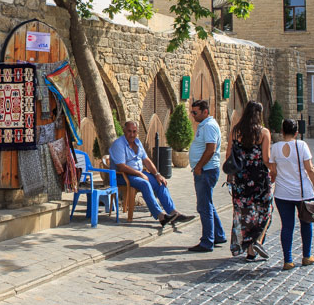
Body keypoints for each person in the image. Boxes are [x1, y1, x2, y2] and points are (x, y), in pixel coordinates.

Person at [109, 121, 195, 231]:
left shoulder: (137, 142)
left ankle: (173, 213)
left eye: (134, 132)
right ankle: (161, 216)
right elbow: (121, 167)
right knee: (145, 183)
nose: (132, 134)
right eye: (129, 131)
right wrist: (140, 174)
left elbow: (146, 160)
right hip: (123, 176)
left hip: (138, 173)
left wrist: (157, 174)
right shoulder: (118, 144)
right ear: (124, 131)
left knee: (160, 182)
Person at [268, 119, 314, 270]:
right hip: (302, 192)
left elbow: (273, 171)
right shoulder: (302, 145)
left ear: (282, 131)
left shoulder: (275, 148)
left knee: (287, 226)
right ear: (297, 132)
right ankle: (306, 256)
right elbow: (309, 169)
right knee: (306, 223)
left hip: (282, 193)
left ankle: (288, 260)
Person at [225, 101, 272, 260]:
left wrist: (230, 175)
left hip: (240, 179)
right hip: (258, 179)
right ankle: (255, 243)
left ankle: (246, 248)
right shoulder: (263, 133)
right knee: (264, 211)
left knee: (243, 213)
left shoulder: (236, 131)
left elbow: (228, 155)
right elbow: (266, 158)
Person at [188, 99, 225, 252]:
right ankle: (218, 234)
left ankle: (207, 241)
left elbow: (211, 149)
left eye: (195, 112)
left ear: (205, 112)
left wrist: (199, 166)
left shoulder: (209, 126)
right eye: (192, 112)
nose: (193, 115)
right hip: (205, 170)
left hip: (206, 171)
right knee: (207, 203)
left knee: (203, 206)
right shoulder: (204, 125)